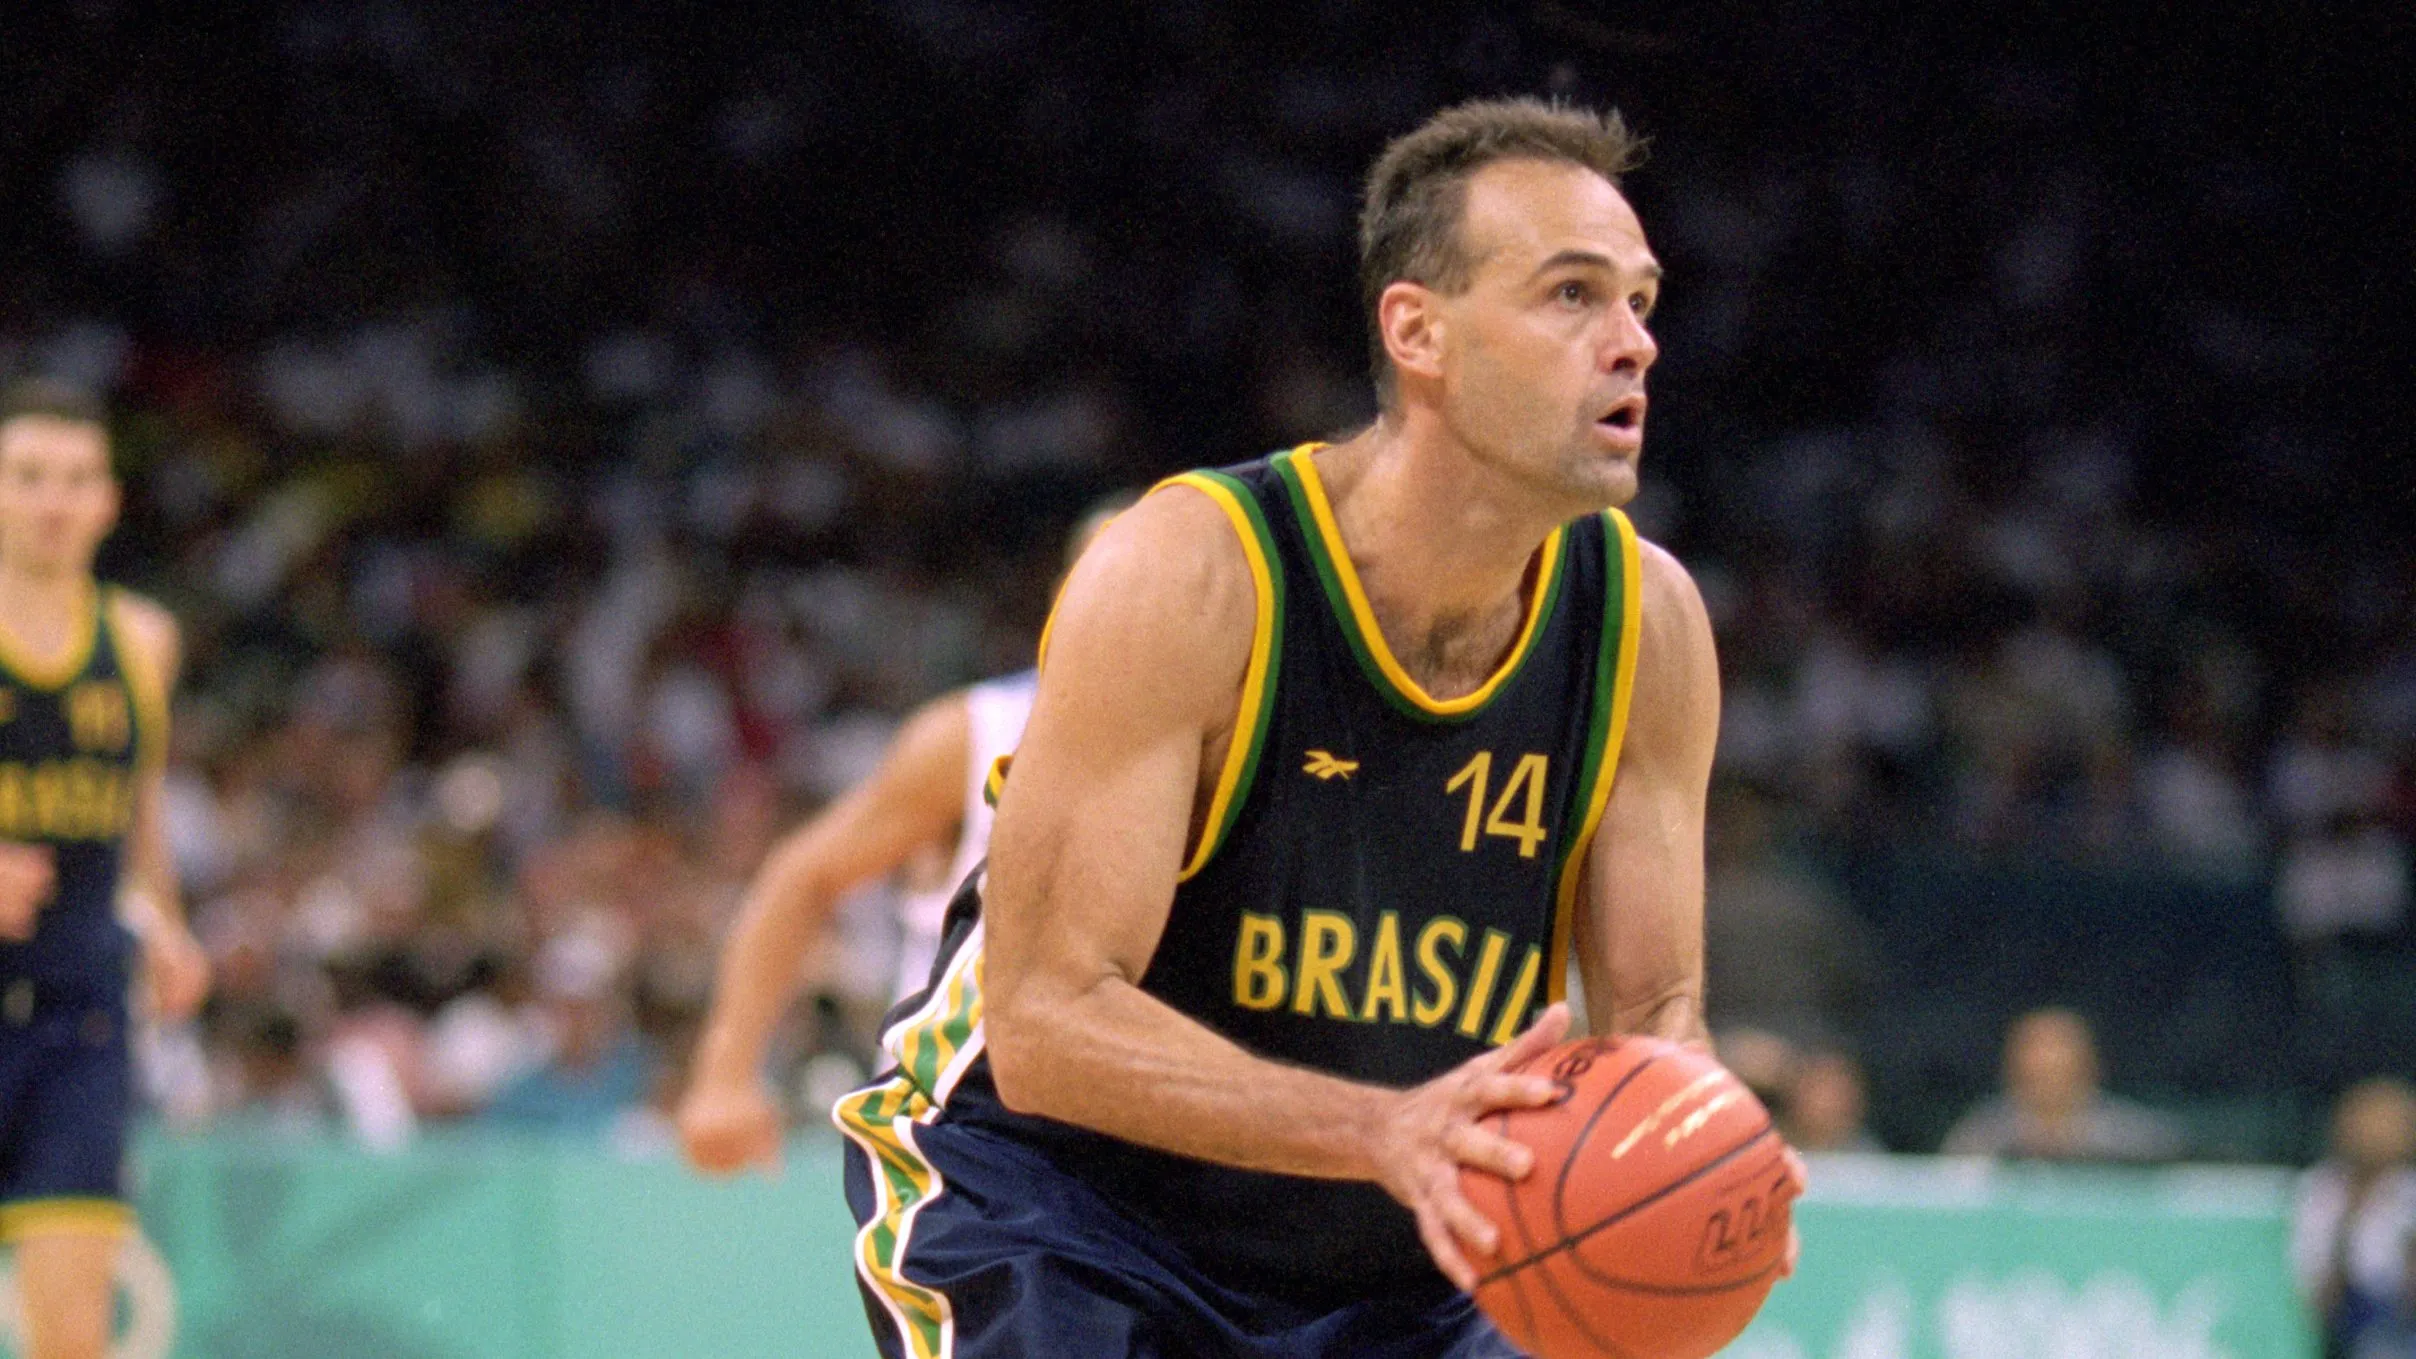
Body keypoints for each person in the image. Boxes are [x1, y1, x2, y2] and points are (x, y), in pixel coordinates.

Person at [830, 98, 1801, 1359]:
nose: (1632, 346)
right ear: (1418, 332)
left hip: (1398, 1248)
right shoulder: (1198, 572)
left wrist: (1699, 1163)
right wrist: (1379, 1133)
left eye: (1640, 303)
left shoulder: (1647, 624)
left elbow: (1653, 1010)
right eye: (1571, 296)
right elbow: (1050, 1028)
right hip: (1057, 1209)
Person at [678, 499, 1129, 1176]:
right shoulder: (975, 733)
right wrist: (725, 1074)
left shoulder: (1250, 747)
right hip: (962, 1139)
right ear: (1063, 594)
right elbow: (803, 874)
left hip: (1127, 1145)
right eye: (1105, 574)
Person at [0, 379, 208, 1359]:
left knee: (74, 1339)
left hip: (79, 1014)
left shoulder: (142, 639)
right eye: (29, 476)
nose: (53, 500)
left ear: (108, 500)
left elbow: (141, 812)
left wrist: (166, 922)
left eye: (76, 479)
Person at [1941, 1007, 2186, 1163]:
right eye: (2036, 1073)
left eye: (2059, 1070)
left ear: (2089, 1068)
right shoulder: (1981, 1138)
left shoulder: (2135, 1141)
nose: (2049, 1082)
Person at [2296, 1078, 2416, 1359]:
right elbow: (2319, 1298)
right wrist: (2349, 1220)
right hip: (2350, 1333)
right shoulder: (2322, 1190)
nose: (2375, 1135)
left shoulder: (2409, 1192)